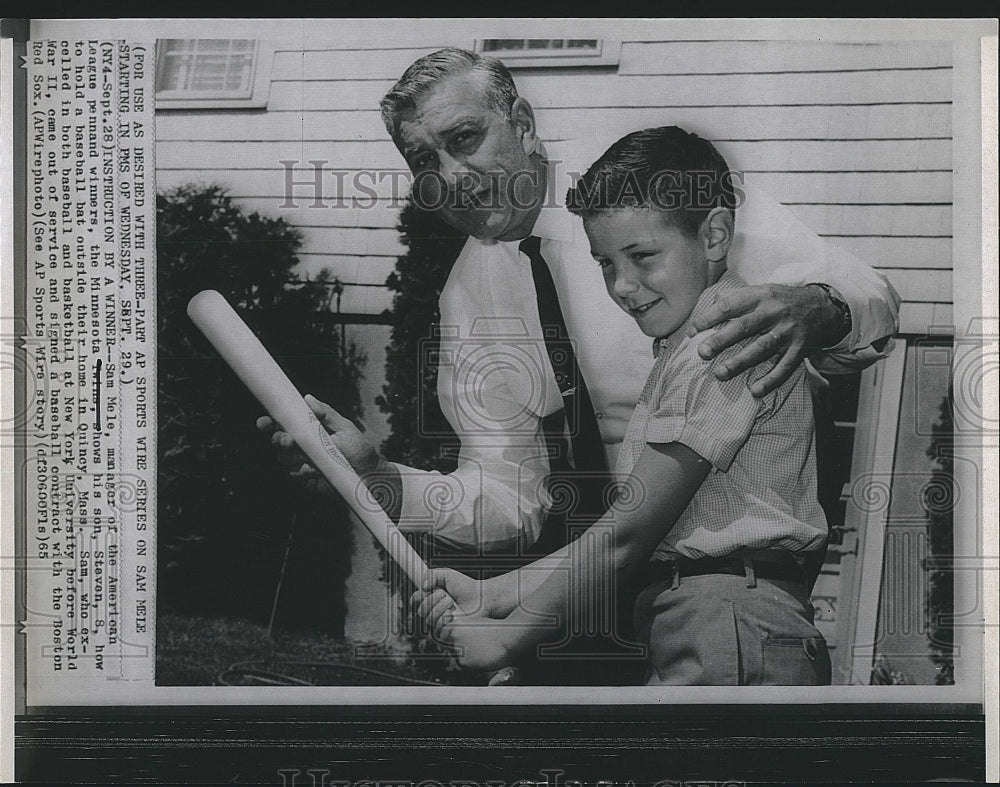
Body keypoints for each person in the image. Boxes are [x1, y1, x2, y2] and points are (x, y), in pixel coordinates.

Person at [257, 48, 898, 681]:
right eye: (426, 160)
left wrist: (819, 306)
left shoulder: (651, 197)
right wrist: (385, 480)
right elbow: (511, 497)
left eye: (466, 137)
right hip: (591, 595)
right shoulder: (469, 297)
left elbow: (868, 293)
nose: (451, 174)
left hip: (721, 593)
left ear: (524, 123)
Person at [412, 126, 832, 685]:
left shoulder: (724, 344)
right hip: (693, 612)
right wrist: (492, 594)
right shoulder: (682, 350)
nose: (623, 286)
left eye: (642, 257)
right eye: (605, 263)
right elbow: (628, 535)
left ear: (714, 236)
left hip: (731, 618)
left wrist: (506, 637)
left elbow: (624, 539)